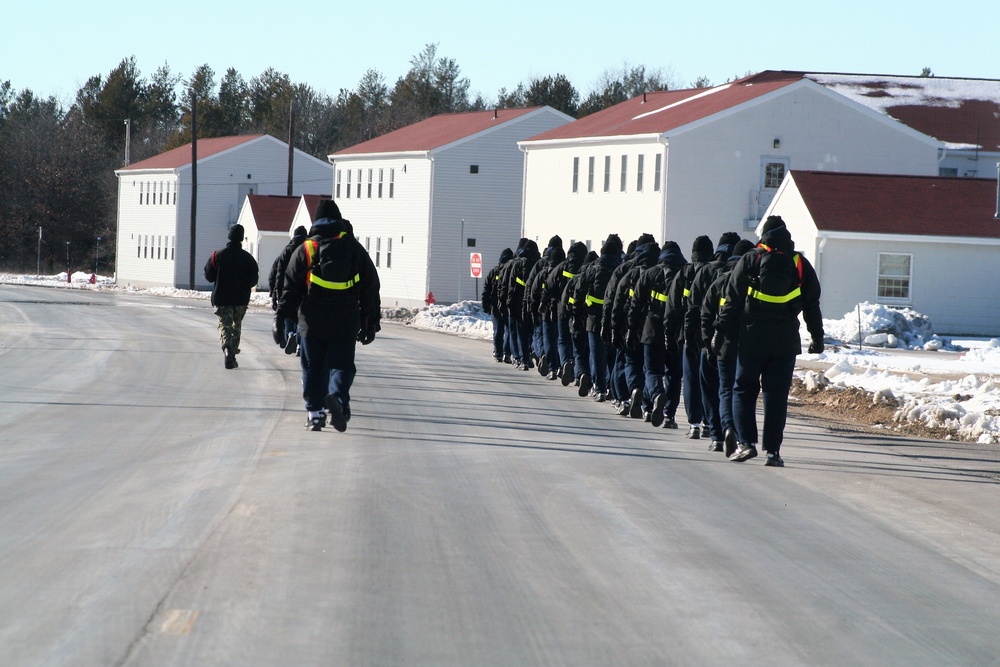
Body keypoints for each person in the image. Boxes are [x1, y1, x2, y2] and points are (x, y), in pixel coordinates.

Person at [715, 215, 824, 466]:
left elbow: (731, 301)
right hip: (785, 343)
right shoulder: (799, 263)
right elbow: (812, 304)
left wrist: (720, 333)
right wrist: (817, 337)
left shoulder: (751, 259)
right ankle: (773, 452)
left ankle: (746, 444)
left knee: (743, 391)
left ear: (764, 235)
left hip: (752, 339)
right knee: (776, 397)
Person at [276, 199, 381, 432]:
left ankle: (315, 415)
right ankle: (337, 397)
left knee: (312, 368)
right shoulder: (353, 248)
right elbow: (371, 286)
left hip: (312, 321)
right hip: (345, 319)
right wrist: (371, 321)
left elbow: (290, 288)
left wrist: (281, 318)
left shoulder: (306, 249)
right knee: (342, 366)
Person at [701, 238, 755, 455]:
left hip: (724, 345)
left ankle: (726, 429)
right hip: (749, 346)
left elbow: (704, 314)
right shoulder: (753, 282)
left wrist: (709, 344)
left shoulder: (720, 282)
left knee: (725, 390)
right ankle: (743, 436)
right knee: (743, 391)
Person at [204, 224, 259, 369]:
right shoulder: (248, 259)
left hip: (222, 298)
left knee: (224, 324)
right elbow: (254, 281)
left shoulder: (217, 255)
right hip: (240, 299)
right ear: (241, 238)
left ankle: (227, 349)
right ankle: (232, 353)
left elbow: (208, 276)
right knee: (236, 325)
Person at [269, 225, 309, 355]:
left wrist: (274, 293)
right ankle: (299, 341)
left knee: (287, 316)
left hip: (286, 289)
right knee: (301, 317)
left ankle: (289, 334)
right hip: (304, 290)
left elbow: (275, 274)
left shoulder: (285, 252)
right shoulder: (309, 250)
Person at [482, 247, 515, 363]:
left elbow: (486, 289)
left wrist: (486, 305)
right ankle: (507, 352)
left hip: (495, 306)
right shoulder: (512, 271)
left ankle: (498, 352)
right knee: (508, 330)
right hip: (508, 305)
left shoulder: (494, 272)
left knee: (498, 330)